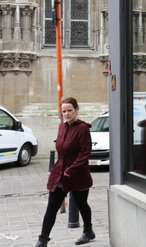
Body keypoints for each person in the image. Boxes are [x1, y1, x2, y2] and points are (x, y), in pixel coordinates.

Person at [36, 97, 95, 246]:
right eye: (64, 111)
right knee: (51, 207)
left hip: (77, 174)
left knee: (82, 204)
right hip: (59, 174)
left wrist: (71, 169)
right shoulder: (61, 127)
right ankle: (42, 240)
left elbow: (85, 152)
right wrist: (57, 168)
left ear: (76, 110)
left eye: (69, 110)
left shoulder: (82, 129)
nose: (67, 114)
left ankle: (88, 231)